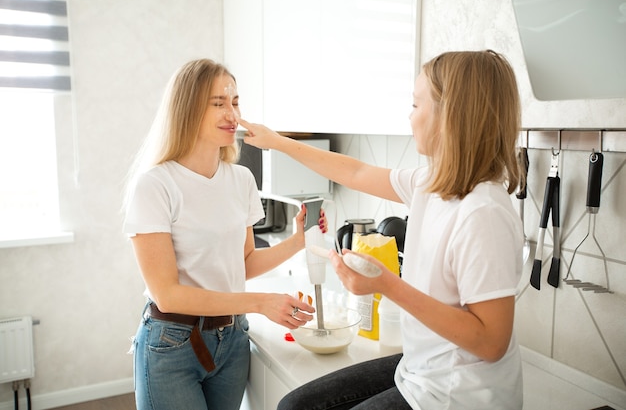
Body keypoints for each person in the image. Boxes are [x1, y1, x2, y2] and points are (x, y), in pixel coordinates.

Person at [239, 50, 524, 409]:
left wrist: (386, 284)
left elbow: (491, 342)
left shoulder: (482, 214)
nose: (410, 116)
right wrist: (277, 141)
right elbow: (355, 173)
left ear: (450, 117)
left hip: (458, 394)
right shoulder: (430, 184)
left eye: (417, 105)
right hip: (419, 371)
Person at [123, 58, 319, 410]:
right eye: (218, 103)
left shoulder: (241, 179)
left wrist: (297, 242)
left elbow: (242, 263)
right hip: (172, 343)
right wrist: (260, 302)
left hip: (232, 341)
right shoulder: (156, 185)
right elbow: (167, 295)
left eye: (235, 102)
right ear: (187, 109)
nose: (232, 114)